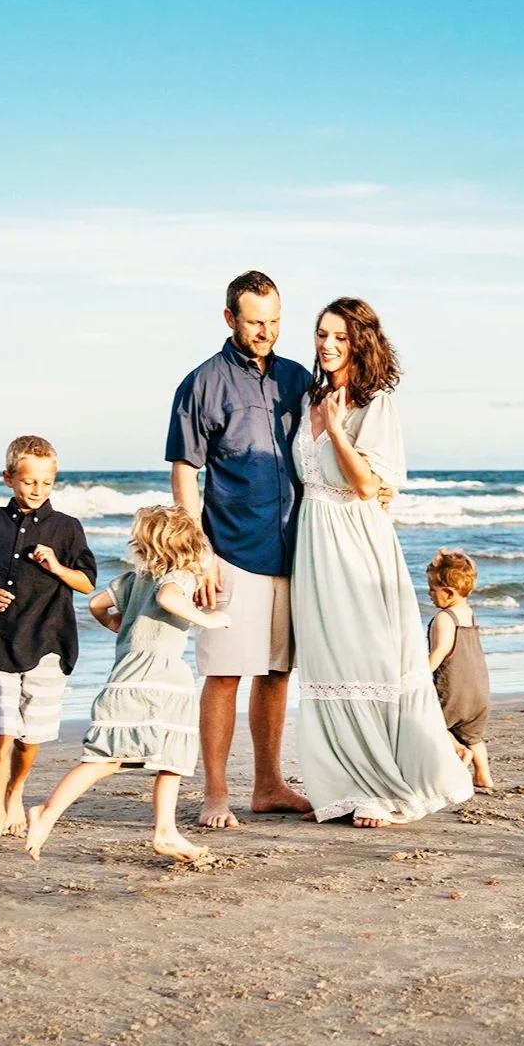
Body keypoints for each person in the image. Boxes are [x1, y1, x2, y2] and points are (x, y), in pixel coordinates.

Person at [292, 297, 474, 825]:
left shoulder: (374, 405)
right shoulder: (312, 397)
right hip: (315, 542)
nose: (327, 345)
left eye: (339, 337)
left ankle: (384, 786)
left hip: (357, 540)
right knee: (329, 661)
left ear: (360, 343)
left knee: (368, 655)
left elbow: (368, 484)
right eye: (321, 334)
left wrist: (337, 427)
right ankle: (342, 786)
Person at [166, 270, 312, 828]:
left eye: (274, 321)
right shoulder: (201, 383)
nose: (266, 331)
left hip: (294, 550)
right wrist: (196, 552)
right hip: (227, 550)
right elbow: (185, 474)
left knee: (277, 673)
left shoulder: (298, 379)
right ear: (230, 318)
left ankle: (269, 785)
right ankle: (217, 794)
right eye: (255, 322)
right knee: (224, 674)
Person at [25, 505, 229, 863]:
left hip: (127, 675)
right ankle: (51, 813)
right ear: (189, 545)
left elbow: (96, 604)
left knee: (118, 757)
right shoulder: (180, 576)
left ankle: (162, 831)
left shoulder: (136, 579)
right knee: (166, 757)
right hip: (160, 677)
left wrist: (119, 626)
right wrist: (208, 620)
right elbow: (169, 599)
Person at [0, 435, 97, 849]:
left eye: (46, 483)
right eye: (28, 481)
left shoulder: (67, 528)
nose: (37, 490)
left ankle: (16, 791)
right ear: (8, 478)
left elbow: (87, 584)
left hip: (49, 641)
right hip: (1, 641)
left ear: (54, 481)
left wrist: (55, 564)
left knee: (29, 738)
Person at [426, 549, 494, 789]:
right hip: (478, 688)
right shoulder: (468, 614)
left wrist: (421, 674)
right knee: (473, 735)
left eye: (433, 590)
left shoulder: (444, 618)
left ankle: (458, 752)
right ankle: (483, 775)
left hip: (453, 688)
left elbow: (441, 651)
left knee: (432, 722)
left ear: (448, 592)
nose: (429, 595)